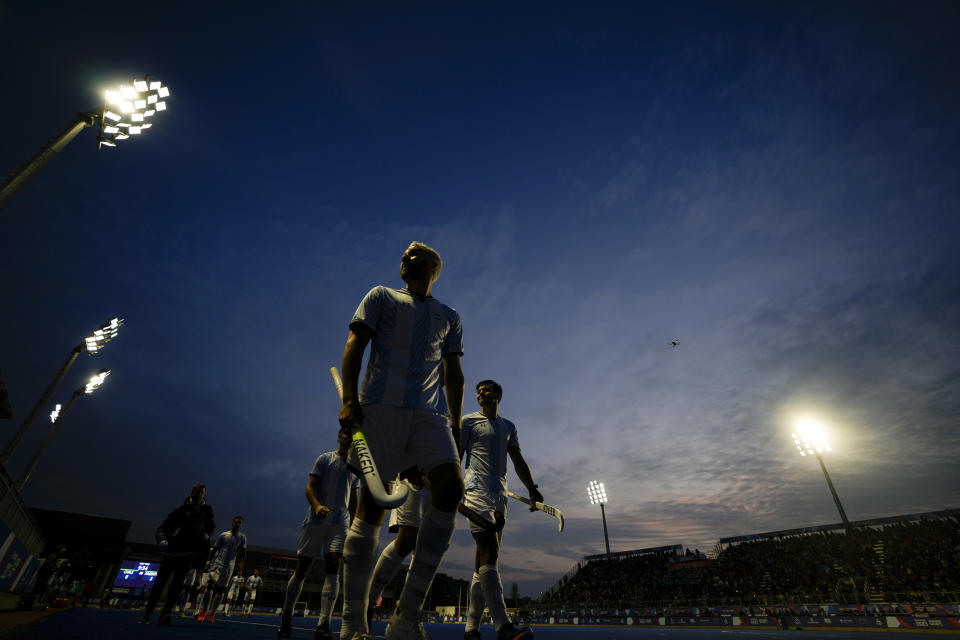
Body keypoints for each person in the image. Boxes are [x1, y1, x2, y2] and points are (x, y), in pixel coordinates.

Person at [338, 241, 465, 640]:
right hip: (380, 406)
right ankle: (353, 622)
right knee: (372, 509)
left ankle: (406, 616)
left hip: (430, 415)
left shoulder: (449, 315)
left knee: (451, 487)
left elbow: (454, 374)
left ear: (431, 267)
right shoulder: (380, 296)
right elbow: (354, 345)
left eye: (412, 254)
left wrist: (456, 425)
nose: (402, 257)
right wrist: (349, 401)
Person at [461, 380, 541, 640]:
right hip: (475, 492)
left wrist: (532, 488)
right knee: (489, 549)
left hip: (499, 497)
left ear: (498, 395)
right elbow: (456, 455)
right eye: (478, 391)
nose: (480, 393)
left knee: (484, 562)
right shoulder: (468, 422)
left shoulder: (509, 426)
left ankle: (471, 629)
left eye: (485, 389)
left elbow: (517, 460)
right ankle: (502, 626)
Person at [278, 426, 359, 639]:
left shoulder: (355, 466)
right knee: (302, 569)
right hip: (315, 521)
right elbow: (310, 487)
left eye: (352, 434)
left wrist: (353, 526)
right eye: (346, 433)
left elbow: (354, 499)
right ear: (340, 435)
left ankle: (323, 624)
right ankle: (287, 615)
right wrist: (316, 507)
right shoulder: (324, 459)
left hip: (340, 525)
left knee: (333, 567)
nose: (349, 437)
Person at [138, 483, 215, 625]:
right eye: (197, 491)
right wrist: (162, 540)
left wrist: (207, 535)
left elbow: (211, 527)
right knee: (158, 586)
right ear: (192, 492)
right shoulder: (180, 510)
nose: (199, 494)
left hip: (187, 554)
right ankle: (147, 615)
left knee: (176, 587)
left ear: (204, 495)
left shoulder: (207, 512)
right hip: (172, 552)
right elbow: (163, 527)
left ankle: (165, 613)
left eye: (202, 492)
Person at [367, 471, 426, 622]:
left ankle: (408, 613)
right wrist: (410, 467)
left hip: (438, 473)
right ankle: (369, 601)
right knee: (407, 539)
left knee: (424, 547)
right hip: (415, 469)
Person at [195, 515, 247, 623]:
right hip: (218, 564)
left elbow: (243, 553)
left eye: (239, 523)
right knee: (210, 586)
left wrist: (241, 565)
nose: (237, 524)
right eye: (236, 522)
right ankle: (204, 611)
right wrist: (208, 562)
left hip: (229, 567)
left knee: (221, 590)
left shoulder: (242, 538)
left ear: (241, 525)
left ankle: (212, 614)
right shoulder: (224, 535)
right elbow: (215, 549)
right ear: (232, 523)